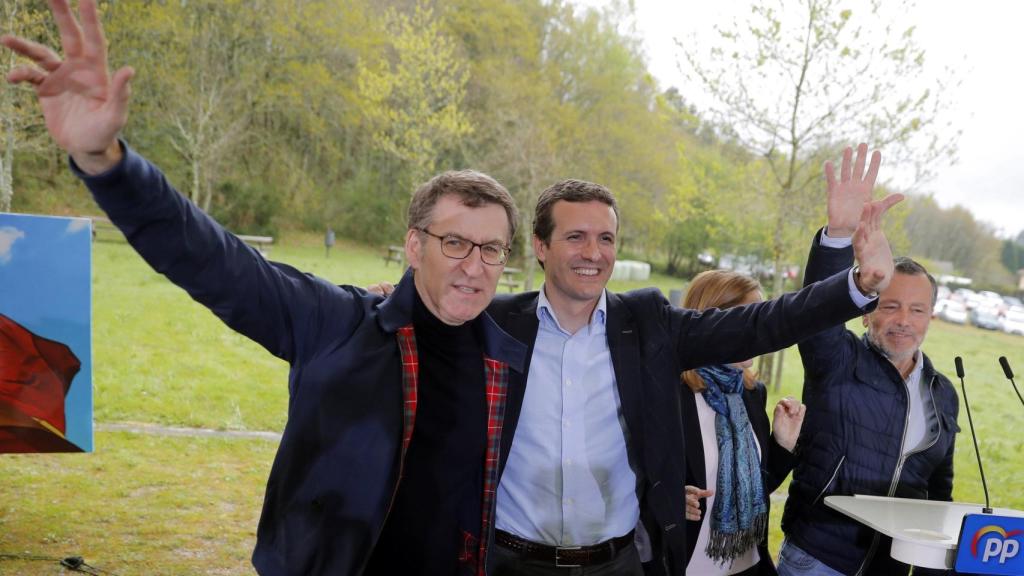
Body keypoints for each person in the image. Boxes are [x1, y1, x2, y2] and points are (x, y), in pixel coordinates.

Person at [1, 2, 529, 575]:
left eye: (492, 249)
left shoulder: (508, 358)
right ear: (412, 246)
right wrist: (105, 161)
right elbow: (213, 261)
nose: (474, 266)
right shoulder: (338, 324)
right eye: (455, 243)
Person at [481, 174, 901, 575]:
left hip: (616, 564)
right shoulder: (493, 324)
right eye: (576, 237)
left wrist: (856, 274)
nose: (593, 253)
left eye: (605, 238)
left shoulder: (648, 325)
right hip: (508, 560)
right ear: (540, 245)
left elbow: (765, 322)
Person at [778, 145, 960, 576]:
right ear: (865, 311)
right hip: (819, 559)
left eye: (917, 311)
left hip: (893, 565)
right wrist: (839, 236)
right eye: (890, 306)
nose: (903, 321)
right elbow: (815, 312)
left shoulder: (944, 392)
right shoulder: (836, 356)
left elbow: (939, 491)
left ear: (930, 317)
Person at [678, 270, 805, 576]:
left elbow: (757, 486)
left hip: (748, 565)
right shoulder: (670, 394)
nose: (759, 334)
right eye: (749, 322)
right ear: (711, 323)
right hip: (688, 564)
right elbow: (633, 476)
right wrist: (670, 498)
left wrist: (783, 443)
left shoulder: (749, 392)